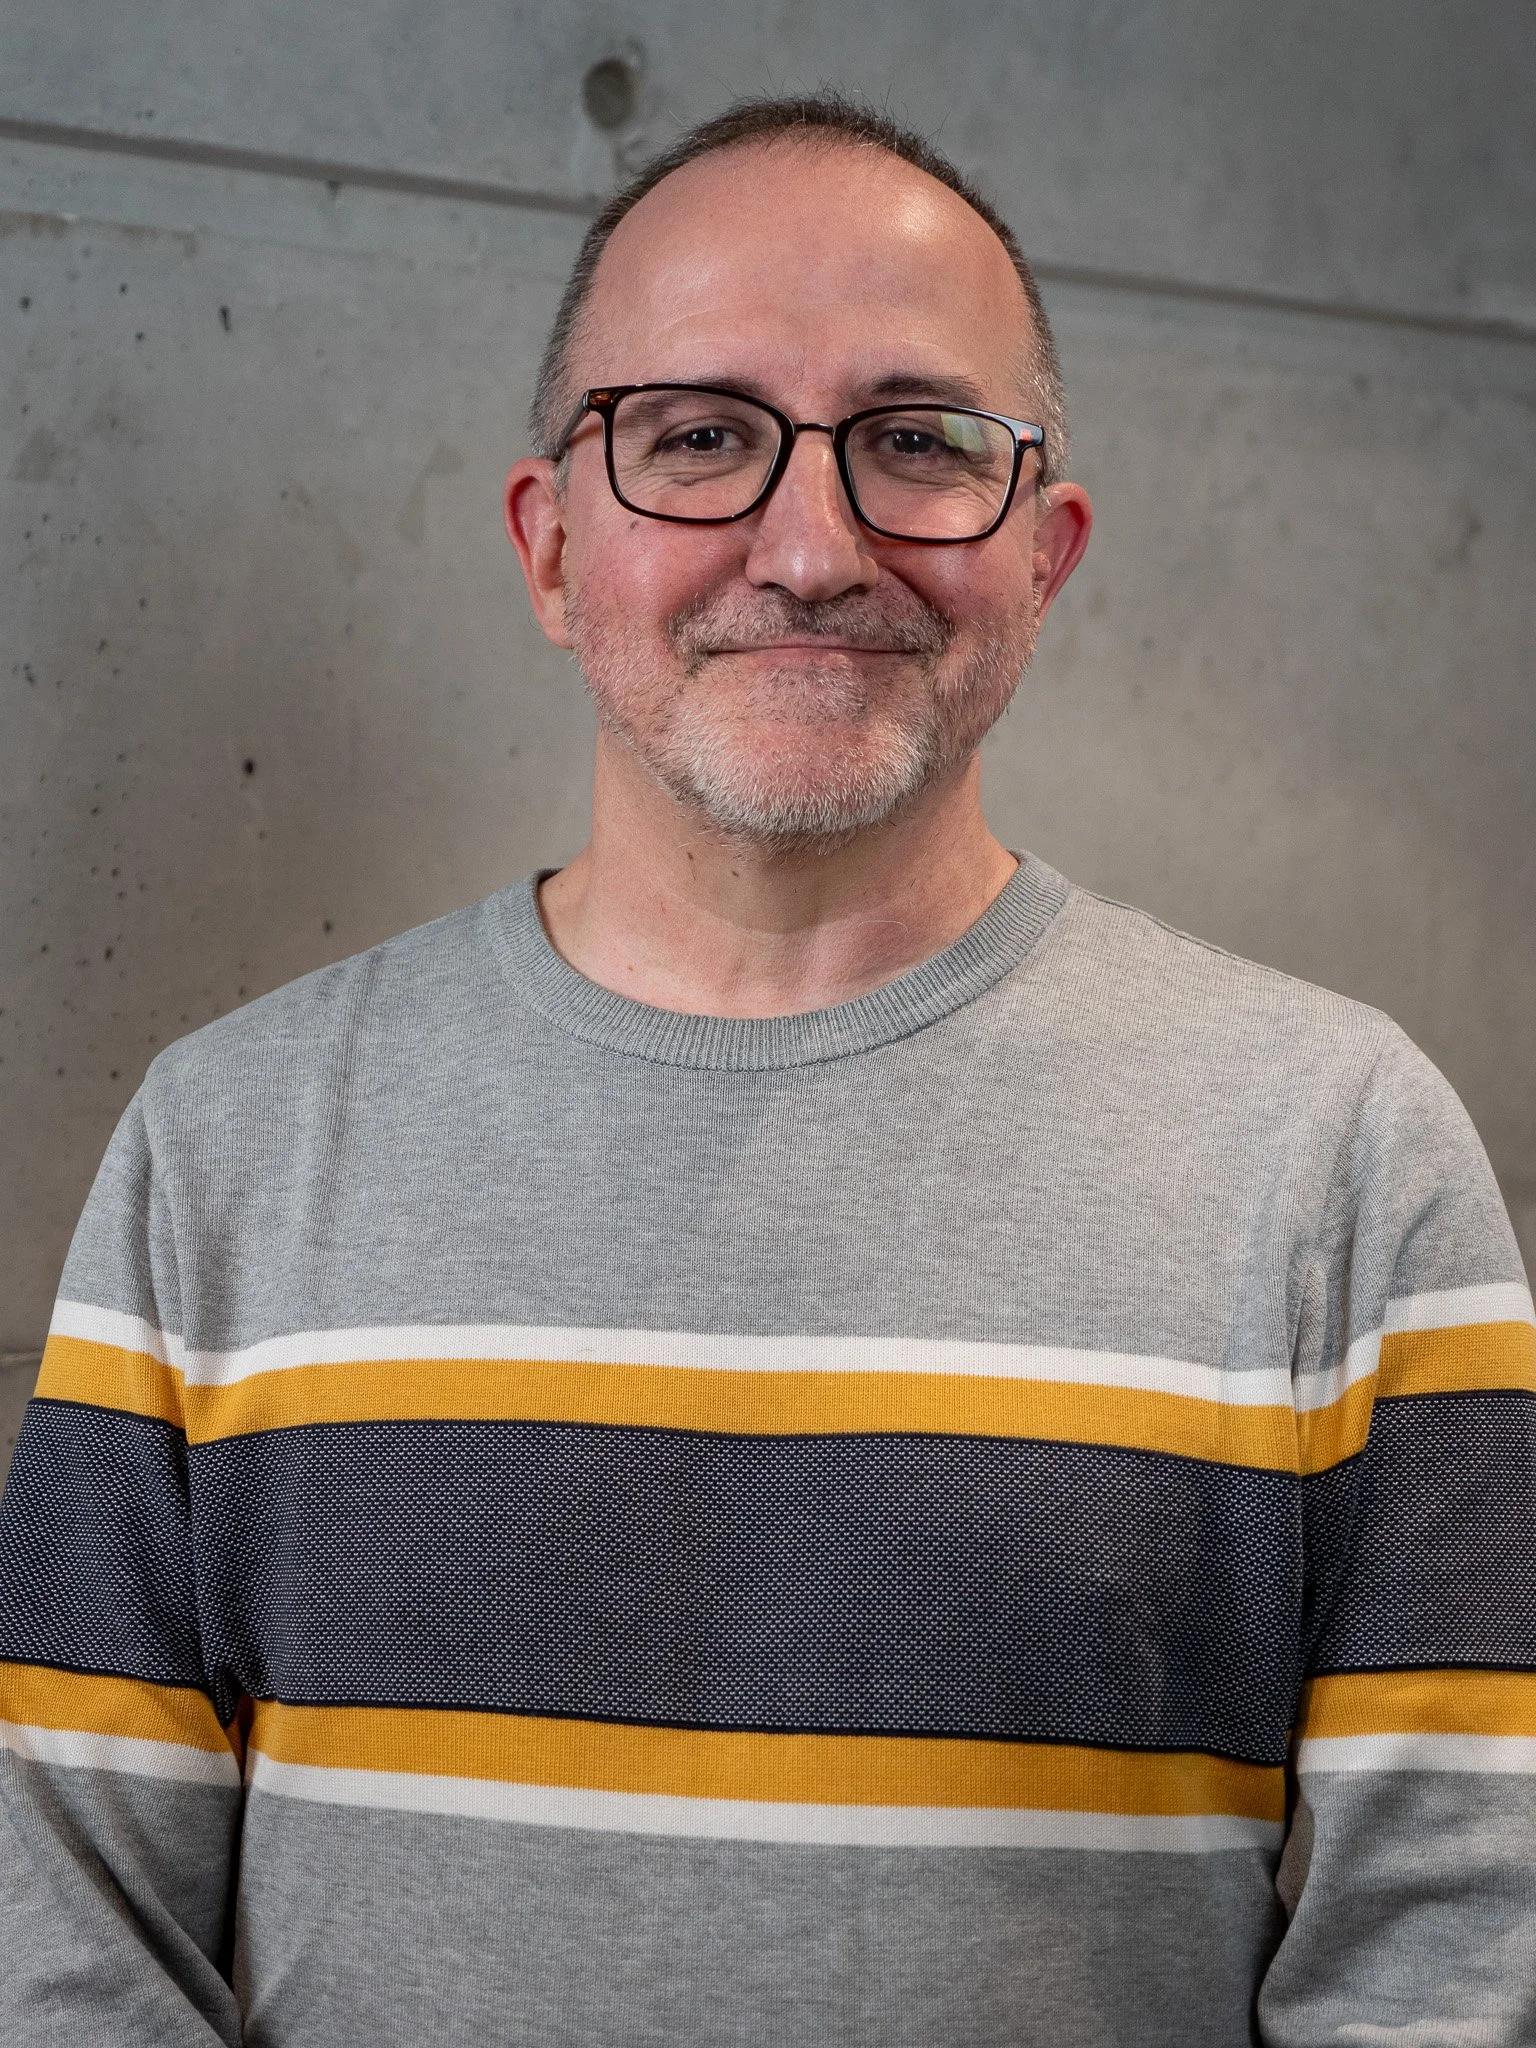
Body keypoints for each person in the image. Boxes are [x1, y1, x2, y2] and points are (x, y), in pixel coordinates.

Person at [1, 90, 1532, 2048]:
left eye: (917, 441)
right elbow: (61, 1955)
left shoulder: (1341, 1154)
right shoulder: (223, 1145)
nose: (813, 547)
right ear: (551, 547)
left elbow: (1460, 1967)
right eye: (700, 436)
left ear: (1045, 552)